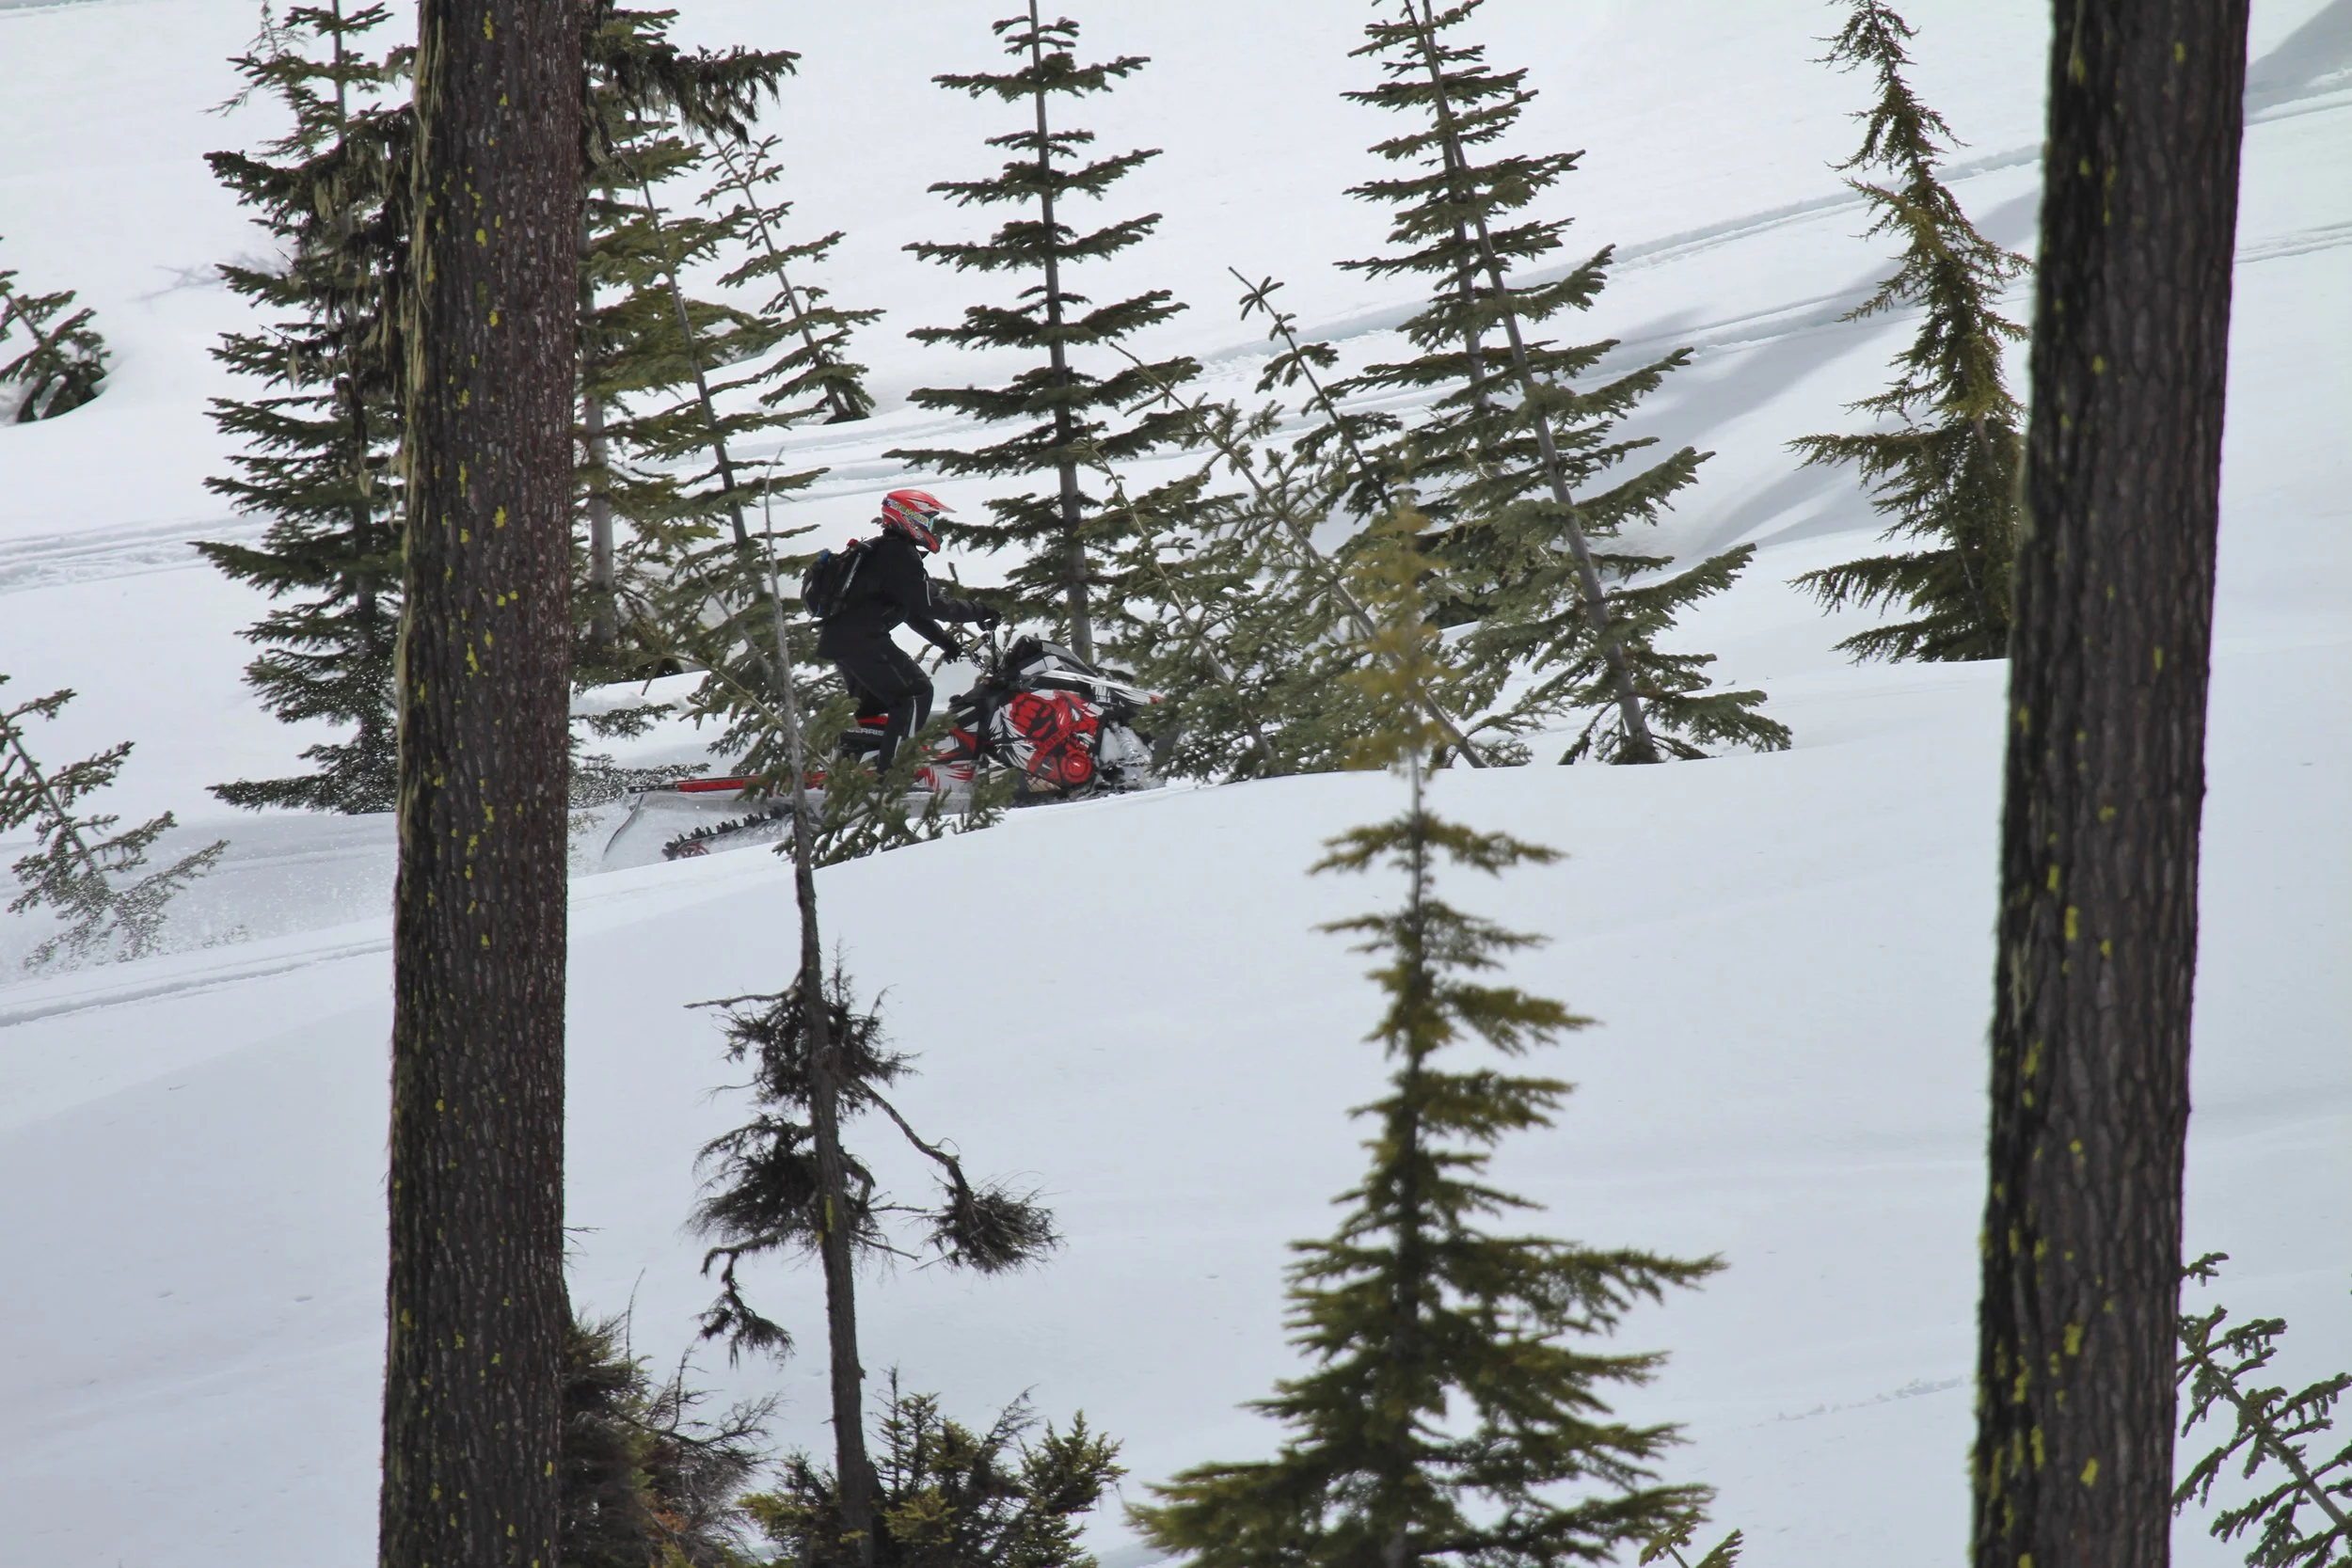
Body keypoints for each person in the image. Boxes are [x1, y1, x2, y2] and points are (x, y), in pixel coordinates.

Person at [816, 488, 999, 768]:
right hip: (862, 641)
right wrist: (980, 611)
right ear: (911, 518)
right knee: (915, 694)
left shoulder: (883, 550)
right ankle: (895, 776)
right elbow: (931, 605)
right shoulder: (898, 554)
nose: (932, 527)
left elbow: (911, 609)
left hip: (842, 641)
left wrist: (945, 642)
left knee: (878, 713)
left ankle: (858, 772)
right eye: (929, 520)